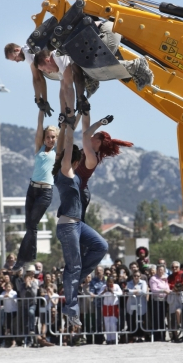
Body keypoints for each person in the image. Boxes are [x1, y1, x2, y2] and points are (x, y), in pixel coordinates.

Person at [53, 112, 109, 328]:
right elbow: (68, 144)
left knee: (101, 246)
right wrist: (68, 125)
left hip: (78, 223)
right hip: (68, 225)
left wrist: (83, 114)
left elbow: (84, 135)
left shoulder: (78, 176)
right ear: (74, 161)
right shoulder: (66, 174)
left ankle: (71, 277)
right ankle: (71, 309)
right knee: (74, 268)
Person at [12, 111, 60, 271]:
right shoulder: (39, 148)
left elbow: (68, 133)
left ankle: (22, 260)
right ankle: (29, 258)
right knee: (30, 226)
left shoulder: (57, 152)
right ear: (44, 138)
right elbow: (39, 126)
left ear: (57, 138)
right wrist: (40, 109)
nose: (50, 139)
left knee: (32, 224)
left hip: (45, 192)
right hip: (32, 189)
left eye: (53, 137)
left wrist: (67, 120)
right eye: (48, 136)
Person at [76, 112, 133, 221]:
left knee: (77, 227)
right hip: (77, 191)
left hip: (80, 194)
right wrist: (86, 109)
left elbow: (85, 134)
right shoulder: (90, 150)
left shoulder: (92, 157)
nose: (91, 136)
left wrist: (101, 122)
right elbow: (86, 127)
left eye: (94, 135)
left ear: (98, 142)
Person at [149, 264, 170, 342]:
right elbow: (154, 290)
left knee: (162, 319)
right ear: (157, 270)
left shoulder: (165, 278)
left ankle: (163, 336)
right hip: (157, 300)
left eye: (162, 269)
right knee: (157, 319)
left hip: (164, 300)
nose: (160, 271)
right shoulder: (153, 278)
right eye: (159, 269)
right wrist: (163, 290)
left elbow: (168, 288)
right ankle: (157, 336)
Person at [126, 270, 148, 342]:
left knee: (141, 320)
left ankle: (141, 336)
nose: (136, 277)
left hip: (141, 304)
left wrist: (132, 291)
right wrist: (137, 291)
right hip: (131, 304)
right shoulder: (129, 283)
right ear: (132, 276)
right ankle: (133, 336)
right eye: (135, 276)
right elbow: (127, 292)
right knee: (132, 320)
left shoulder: (143, 282)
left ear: (140, 276)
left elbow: (144, 291)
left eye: (138, 276)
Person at [101, 276, 122, 344]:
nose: (109, 283)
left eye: (111, 282)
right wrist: (104, 291)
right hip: (106, 306)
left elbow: (120, 293)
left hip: (114, 305)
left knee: (113, 323)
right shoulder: (104, 286)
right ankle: (108, 339)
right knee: (107, 323)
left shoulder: (116, 286)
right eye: (108, 282)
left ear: (113, 282)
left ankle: (114, 338)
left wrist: (113, 292)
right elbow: (99, 294)